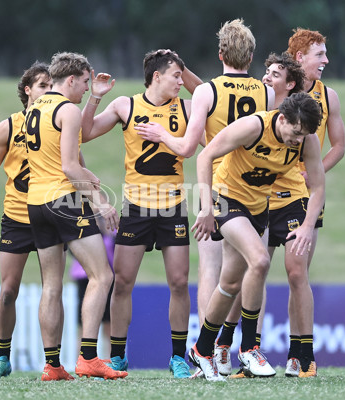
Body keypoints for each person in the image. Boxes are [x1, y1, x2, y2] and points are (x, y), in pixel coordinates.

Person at [135, 19, 274, 378]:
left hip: (216, 187)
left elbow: (186, 147)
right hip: (256, 190)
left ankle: (207, 353)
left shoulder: (206, 93)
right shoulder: (266, 93)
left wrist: (161, 133)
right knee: (244, 270)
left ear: (220, 54)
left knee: (213, 271)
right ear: (253, 55)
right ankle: (232, 348)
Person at [189, 92, 325, 381]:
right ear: (284, 118)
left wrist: (306, 225)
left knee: (229, 284)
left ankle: (202, 349)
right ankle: (249, 348)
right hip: (226, 199)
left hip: (257, 207)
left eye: (304, 136)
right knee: (261, 261)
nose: (298, 140)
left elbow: (319, 188)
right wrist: (205, 208)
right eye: (296, 132)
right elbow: (205, 155)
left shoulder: (307, 140)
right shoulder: (253, 127)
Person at [82, 49, 193, 378]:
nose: (181, 81)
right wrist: (95, 98)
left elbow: (212, 135)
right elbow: (84, 134)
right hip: (137, 208)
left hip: (174, 207)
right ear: (157, 76)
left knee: (179, 282)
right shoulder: (125, 106)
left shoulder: (187, 108)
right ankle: (117, 356)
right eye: (176, 75)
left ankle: (177, 357)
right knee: (123, 282)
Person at [24, 52, 127, 380]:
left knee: (51, 286)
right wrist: (99, 203)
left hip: (35, 203)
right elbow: (69, 165)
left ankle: (52, 365)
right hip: (64, 200)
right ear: (70, 80)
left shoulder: (34, 107)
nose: (84, 89)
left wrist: (95, 98)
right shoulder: (66, 109)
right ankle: (88, 358)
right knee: (102, 277)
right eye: (84, 83)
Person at [268, 28, 345, 378]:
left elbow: (339, 146)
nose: (326, 60)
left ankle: (302, 355)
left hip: (304, 196)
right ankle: (243, 351)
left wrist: (313, 175)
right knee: (252, 270)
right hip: (266, 194)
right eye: (320, 54)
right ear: (300, 58)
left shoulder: (329, 97)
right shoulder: (281, 91)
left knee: (297, 272)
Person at [0, 61, 53, 381]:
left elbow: (74, 165)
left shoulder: (61, 122)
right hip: (16, 217)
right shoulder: (8, 126)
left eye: (53, 87)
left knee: (52, 289)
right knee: (8, 291)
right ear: (27, 90)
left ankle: (52, 362)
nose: (49, 92)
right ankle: (3, 356)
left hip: (51, 216)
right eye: (43, 86)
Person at [70, 215, 115, 358]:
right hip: (84, 277)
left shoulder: (110, 233)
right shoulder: (81, 229)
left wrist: (105, 230)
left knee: (108, 323)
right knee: (83, 323)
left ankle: (109, 358)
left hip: (106, 277)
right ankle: (81, 358)